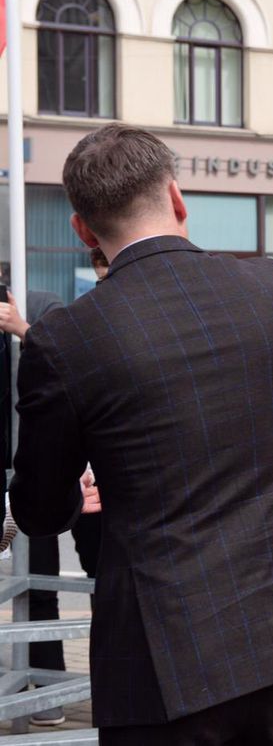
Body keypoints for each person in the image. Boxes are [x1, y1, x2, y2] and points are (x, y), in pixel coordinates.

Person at [9, 123, 273, 744]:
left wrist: (80, 493)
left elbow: (39, 509)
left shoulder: (65, 338)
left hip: (166, 656)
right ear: (176, 196)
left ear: (83, 230)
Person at [0, 287, 90, 726]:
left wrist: (20, 328)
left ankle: (50, 696)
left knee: (41, 587)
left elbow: (71, 362)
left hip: (37, 470)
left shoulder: (40, 306)